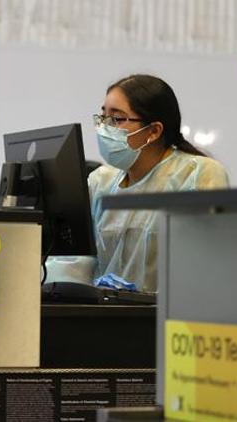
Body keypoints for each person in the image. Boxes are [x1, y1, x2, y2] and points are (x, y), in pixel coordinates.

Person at [90, 74, 229, 293]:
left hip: (171, 318)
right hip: (104, 315)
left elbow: (207, 262)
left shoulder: (197, 174)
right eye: (103, 117)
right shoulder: (100, 181)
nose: (105, 128)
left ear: (153, 131)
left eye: (117, 119)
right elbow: (75, 259)